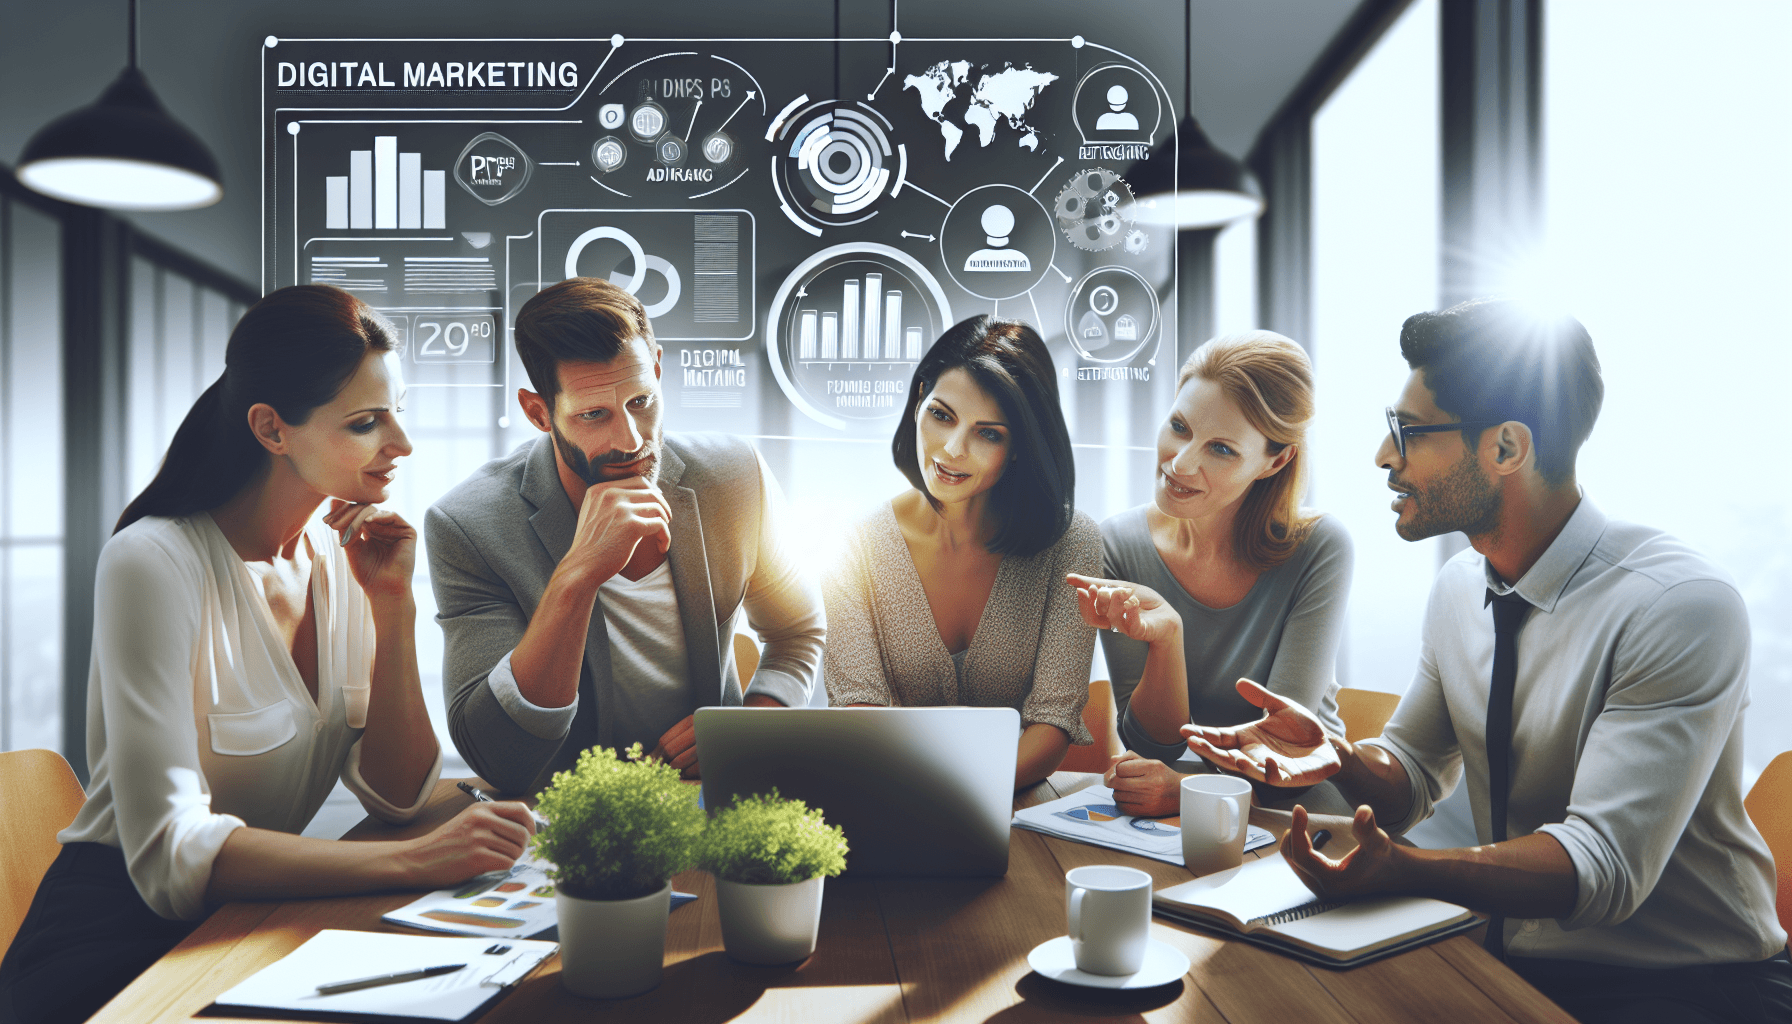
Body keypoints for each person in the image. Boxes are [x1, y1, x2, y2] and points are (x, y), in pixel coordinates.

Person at [1182, 299, 1790, 1023]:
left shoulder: (1679, 605)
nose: (1384, 457)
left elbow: (1602, 867)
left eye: (1407, 433)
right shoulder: (1460, 589)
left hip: (1690, 988)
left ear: (1505, 448)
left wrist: (1405, 871)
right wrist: (1334, 756)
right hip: (1504, 958)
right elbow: (1410, 777)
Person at [0, 286, 536, 1024]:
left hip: (249, 929)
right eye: (364, 423)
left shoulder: (338, 557)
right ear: (271, 429)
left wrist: (393, 607)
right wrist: (416, 860)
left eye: (397, 413)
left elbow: (399, 792)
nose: (401, 445)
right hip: (113, 954)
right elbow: (169, 856)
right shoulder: (153, 560)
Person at [428, 277, 823, 797]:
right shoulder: (468, 526)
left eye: (641, 400)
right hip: (565, 823)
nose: (632, 441)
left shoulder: (734, 476)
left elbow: (797, 632)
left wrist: (745, 731)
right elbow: (499, 756)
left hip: (711, 802)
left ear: (657, 369)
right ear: (538, 413)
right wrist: (578, 575)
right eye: (594, 415)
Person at [1066, 332, 1351, 818]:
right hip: (1180, 810)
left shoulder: (1319, 548)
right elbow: (1153, 748)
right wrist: (1166, 637)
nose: (1180, 462)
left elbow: (1284, 759)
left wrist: (1188, 789)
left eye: (1221, 449)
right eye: (1179, 426)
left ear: (1275, 460)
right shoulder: (1114, 544)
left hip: (1298, 814)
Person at [823, 316, 1098, 789]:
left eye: (988, 433)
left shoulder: (1071, 542)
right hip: (889, 794)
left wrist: (968, 792)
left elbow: (1053, 722)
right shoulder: (853, 542)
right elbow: (857, 707)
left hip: (1016, 805)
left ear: (1019, 447)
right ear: (918, 401)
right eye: (942, 415)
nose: (952, 450)